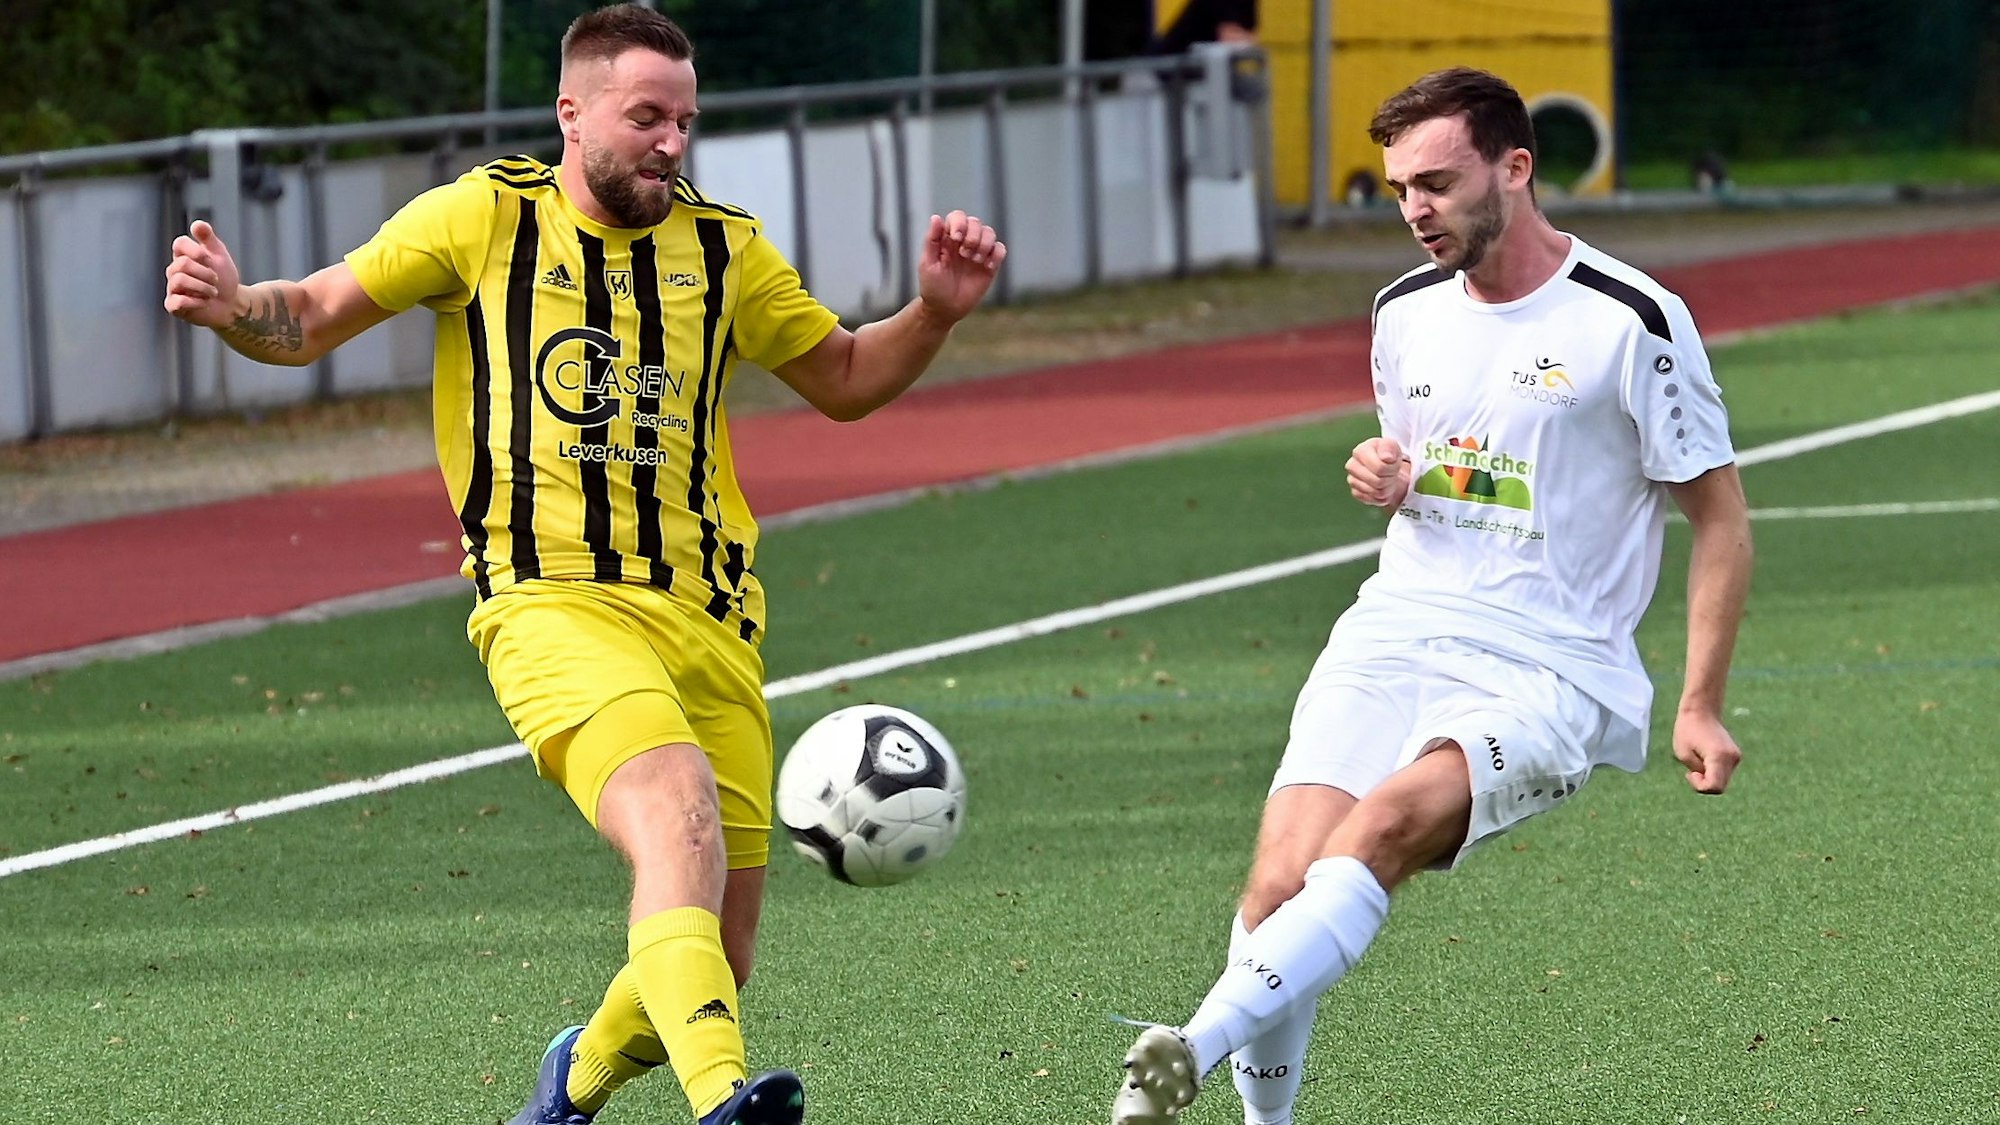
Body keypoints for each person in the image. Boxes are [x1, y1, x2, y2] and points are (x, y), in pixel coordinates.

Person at [163, 6, 1005, 1124]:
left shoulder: (724, 248)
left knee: (720, 946)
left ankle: (573, 1084)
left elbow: (846, 377)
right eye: (646, 116)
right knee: (675, 812)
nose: (670, 142)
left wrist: (933, 316)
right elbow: (311, 313)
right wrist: (234, 310)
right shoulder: (480, 217)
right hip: (551, 606)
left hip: (712, 623)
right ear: (573, 111)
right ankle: (724, 1102)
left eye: (685, 122)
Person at [1109, 65, 1750, 1125]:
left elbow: (1717, 516)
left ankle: (1180, 1052)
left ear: (1514, 168)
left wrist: (1694, 700)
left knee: (1376, 836)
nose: (1414, 208)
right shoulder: (1400, 309)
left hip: (1550, 669)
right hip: (1397, 628)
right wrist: (1386, 473)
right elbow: (1428, 459)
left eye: (1438, 182)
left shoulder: (1630, 319)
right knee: (1276, 888)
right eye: (1400, 186)